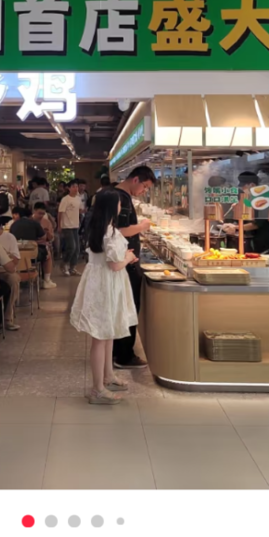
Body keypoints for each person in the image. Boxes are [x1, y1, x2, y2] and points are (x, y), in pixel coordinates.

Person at [70, 189, 138, 404]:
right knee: (101, 336)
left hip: (101, 283)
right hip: (106, 285)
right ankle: (97, 389)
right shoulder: (109, 233)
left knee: (107, 333)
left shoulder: (100, 228)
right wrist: (128, 258)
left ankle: (108, 376)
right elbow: (115, 264)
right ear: (111, 206)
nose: (121, 206)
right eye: (118, 203)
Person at [112, 165, 156, 370]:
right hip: (126, 263)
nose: (144, 191)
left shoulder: (117, 195)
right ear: (136, 179)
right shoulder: (122, 197)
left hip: (124, 260)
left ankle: (117, 350)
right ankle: (124, 355)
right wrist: (142, 227)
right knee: (129, 308)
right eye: (145, 186)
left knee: (124, 307)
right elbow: (120, 230)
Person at [0, 214, 22, 328]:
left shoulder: (9, 237)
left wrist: (4, 254)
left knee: (13, 279)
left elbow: (15, 260)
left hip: (5, 271)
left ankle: (7, 318)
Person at [58, 179, 82, 276]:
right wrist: (59, 225)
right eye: (73, 187)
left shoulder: (78, 198)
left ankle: (72, 268)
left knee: (77, 249)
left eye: (77, 186)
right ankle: (64, 264)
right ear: (69, 188)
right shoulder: (65, 199)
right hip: (67, 226)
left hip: (75, 226)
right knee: (71, 247)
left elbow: (79, 210)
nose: (76, 188)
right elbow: (60, 213)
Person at [32, 201, 57, 289]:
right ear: (34, 211)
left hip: (42, 244)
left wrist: (47, 233)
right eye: (39, 213)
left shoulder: (46, 222)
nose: (41, 215)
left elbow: (51, 238)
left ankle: (47, 279)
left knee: (47, 253)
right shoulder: (29, 221)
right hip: (31, 244)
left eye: (43, 213)